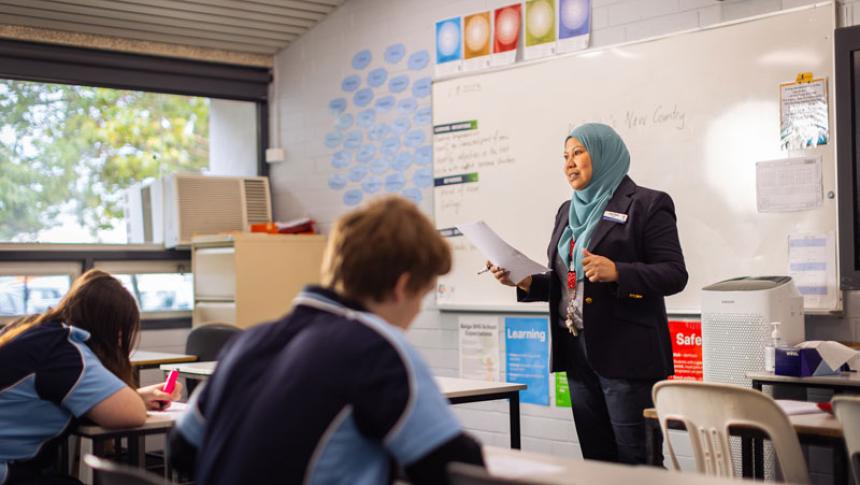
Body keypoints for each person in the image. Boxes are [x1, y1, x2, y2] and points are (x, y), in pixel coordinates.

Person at [169, 195, 484, 485]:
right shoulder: (377, 350)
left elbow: (181, 448)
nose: (416, 312)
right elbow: (456, 469)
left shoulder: (250, 340)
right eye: (423, 296)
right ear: (402, 287)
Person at [490, 123, 687, 465]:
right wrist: (524, 281)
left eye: (578, 153)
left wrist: (619, 272)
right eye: (565, 156)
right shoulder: (567, 212)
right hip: (577, 353)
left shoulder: (647, 204)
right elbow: (568, 280)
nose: (569, 163)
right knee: (597, 461)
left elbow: (674, 274)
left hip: (628, 356)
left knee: (638, 463)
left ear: (603, 154)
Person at [0, 269, 183, 485]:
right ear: (115, 330)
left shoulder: (33, 331)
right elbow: (130, 415)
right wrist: (134, 400)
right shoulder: (65, 352)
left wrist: (138, 396)